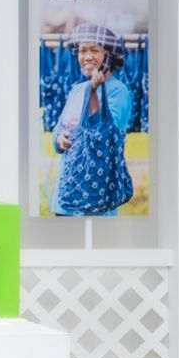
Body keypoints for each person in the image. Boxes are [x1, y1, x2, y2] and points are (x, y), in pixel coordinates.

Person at [52, 22, 133, 216]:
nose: (87, 57)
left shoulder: (118, 91)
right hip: (66, 199)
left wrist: (94, 93)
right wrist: (59, 139)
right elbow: (59, 128)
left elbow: (104, 134)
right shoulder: (77, 90)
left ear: (108, 56)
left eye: (94, 50)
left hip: (96, 202)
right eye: (82, 51)